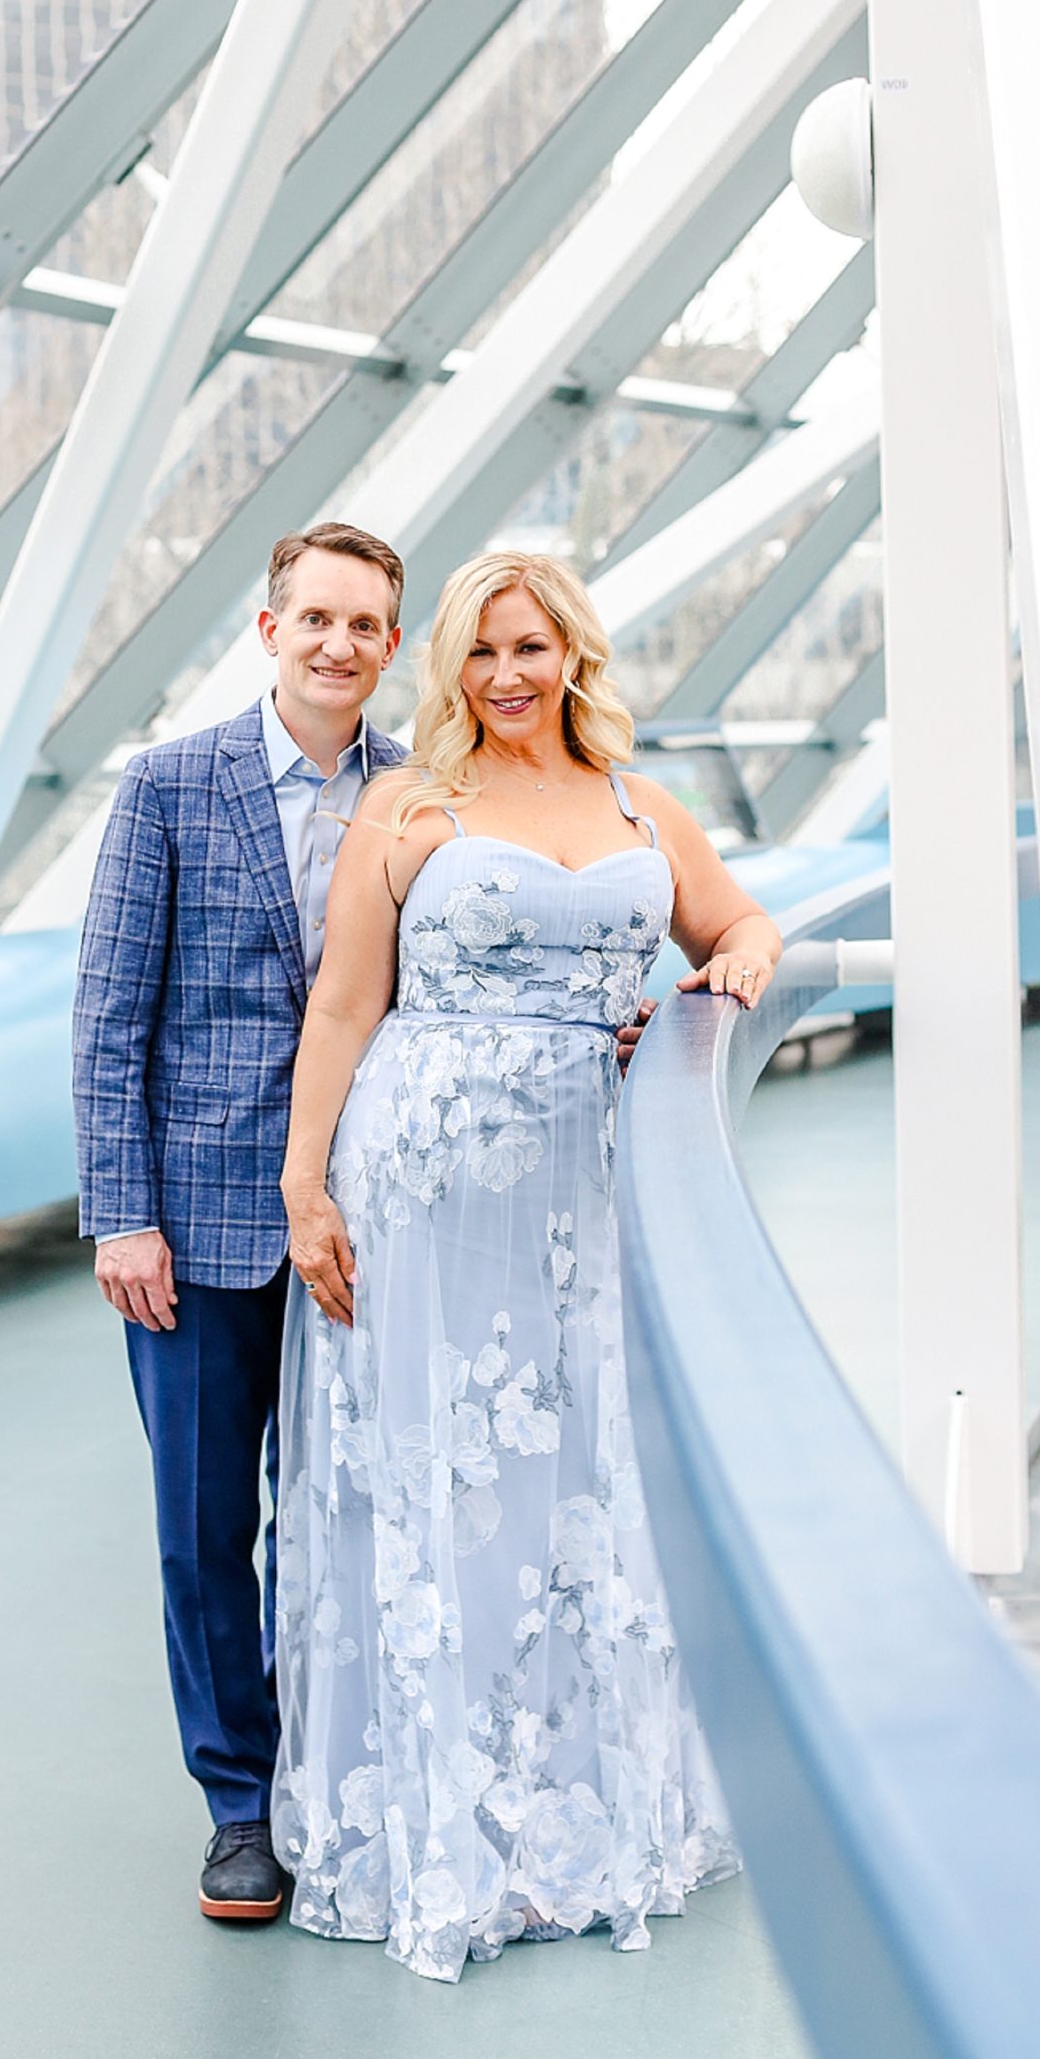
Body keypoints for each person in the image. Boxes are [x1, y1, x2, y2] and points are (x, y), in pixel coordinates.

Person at [271, 549, 783, 1982]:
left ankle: (575, 1808)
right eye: (481, 652)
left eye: (530, 648)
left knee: (575, 1474)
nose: (506, 676)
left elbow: (736, 919)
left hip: (587, 1183)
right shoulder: (409, 805)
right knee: (442, 1475)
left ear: (572, 656)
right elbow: (341, 1005)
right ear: (450, 665)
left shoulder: (638, 805)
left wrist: (727, 971)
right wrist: (307, 1188)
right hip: (419, 1186)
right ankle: (442, 1821)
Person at [72, 522, 408, 1924]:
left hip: (367, 1221)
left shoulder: (424, 790)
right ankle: (237, 1805)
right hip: (197, 1230)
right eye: (316, 619)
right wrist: (121, 1216)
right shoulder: (165, 788)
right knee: (205, 1529)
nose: (340, 645)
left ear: (393, 646)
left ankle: (338, 1778)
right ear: (268, 630)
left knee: (343, 1518)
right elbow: (108, 1016)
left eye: (367, 625)